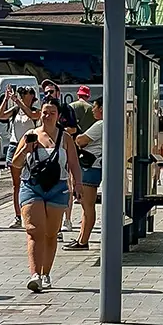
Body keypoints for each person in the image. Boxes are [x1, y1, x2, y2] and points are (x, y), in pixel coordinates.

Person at [11, 98, 82, 292]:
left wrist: (78, 184)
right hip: (31, 186)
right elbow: (16, 164)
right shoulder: (30, 135)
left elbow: (74, 163)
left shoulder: (65, 138)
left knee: (51, 234)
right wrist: (26, 148)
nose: (47, 116)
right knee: (34, 231)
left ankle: (45, 273)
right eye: (44, 112)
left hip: (58, 188)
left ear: (58, 115)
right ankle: (34, 275)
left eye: (51, 112)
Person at [0, 85, 40, 229]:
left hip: (30, 146)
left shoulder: (35, 110)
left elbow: (32, 115)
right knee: (16, 184)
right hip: (15, 145)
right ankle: (17, 216)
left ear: (32, 97)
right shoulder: (16, 110)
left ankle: (31, 211)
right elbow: (0, 115)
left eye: (26, 94)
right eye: (22, 94)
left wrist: (18, 102)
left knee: (31, 180)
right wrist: (7, 99)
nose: (23, 97)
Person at [63, 97, 103, 251]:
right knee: (87, 206)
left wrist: (76, 135)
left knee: (87, 206)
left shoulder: (100, 125)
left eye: (94, 106)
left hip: (90, 167)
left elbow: (81, 141)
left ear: (101, 108)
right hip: (95, 166)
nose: (92, 110)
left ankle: (83, 240)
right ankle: (81, 237)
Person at [41, 80, 77, 234]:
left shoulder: (66, 108)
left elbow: (74, 128)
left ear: (58, 93)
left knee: (67, 185)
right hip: (46, 155)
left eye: (51, 91)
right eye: (46, 92)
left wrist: (59, 130)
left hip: (63, 151)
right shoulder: (43, 110)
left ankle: (66, 219)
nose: (48, 94)